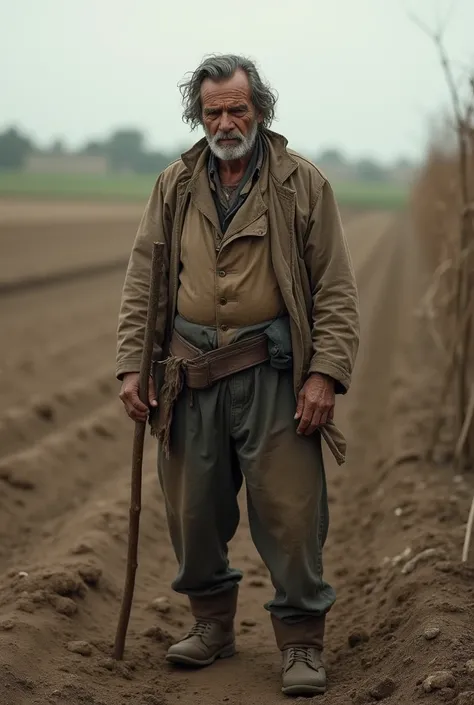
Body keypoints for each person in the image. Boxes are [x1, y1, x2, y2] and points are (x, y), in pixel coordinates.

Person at [116, 54, 359, 697]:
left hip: (275, 374)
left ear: (261, 110)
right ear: (199, 114)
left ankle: (302, 643)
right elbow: (145, 279)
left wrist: (324, 376)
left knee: (290, 513)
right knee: (193, 512)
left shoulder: (300, 184)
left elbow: (335, 289)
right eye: (213, 110)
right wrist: (130, 367)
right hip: (188, 376)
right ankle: (212, 627)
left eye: (237, 108)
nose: (225, 121)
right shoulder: (174, 185)